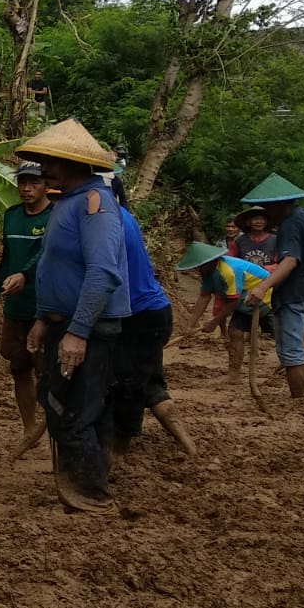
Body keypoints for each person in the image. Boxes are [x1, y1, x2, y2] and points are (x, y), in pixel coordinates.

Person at [15, 120, 129, 513]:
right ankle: (85, 484)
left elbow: (102, 271)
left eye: (50, 162)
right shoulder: (70, 202)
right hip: (65, 322)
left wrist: (78, 331)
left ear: (71, 163)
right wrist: (45, 319)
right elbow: (56, 267)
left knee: (74, 410)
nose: (43, 169)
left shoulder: (96, 205)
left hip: (90, 328)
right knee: (67, 404)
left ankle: (91, 493)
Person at [109, 182, 194, 458]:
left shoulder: (109, 221)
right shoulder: (124, 215)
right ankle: (188, 447)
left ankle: (119, 451)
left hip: (137, 316)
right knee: (148, 383)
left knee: (127, 385)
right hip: (151, 313)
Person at [0, 162, 51, 437]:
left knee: (47, 372)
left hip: (45, 308)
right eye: (23, 183)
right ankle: (30, 428)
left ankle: (55, 429)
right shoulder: (12, 216)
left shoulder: (54, 216)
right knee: (19, 367)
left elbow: (47, 254)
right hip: (16, 309)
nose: (27, 189)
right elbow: (7, 260)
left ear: (46, 185)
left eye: (34, 183)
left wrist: (25, 275)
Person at [239, 175, 304, 397]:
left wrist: (261, 287)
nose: (266, 215)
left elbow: (290, 261)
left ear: (279, 205)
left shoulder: (290, 224)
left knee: (291, 353)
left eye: (268, 209)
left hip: (292, 295)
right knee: (298, 349)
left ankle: (296, 401)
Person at [177, 242, 271, 380]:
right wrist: (190, 325)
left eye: (202, 265)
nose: (199, 268)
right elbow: (204, 297)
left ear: (212, 261)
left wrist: (214, 322)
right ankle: (234, 374)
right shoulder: (207, 272)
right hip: (244, 300)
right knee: (235, 332)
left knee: (278, 335)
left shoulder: (228, 271)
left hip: (264, 299)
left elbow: (233, 301)